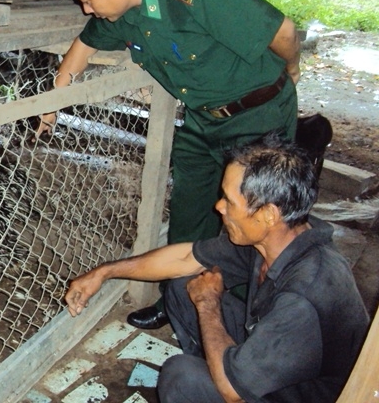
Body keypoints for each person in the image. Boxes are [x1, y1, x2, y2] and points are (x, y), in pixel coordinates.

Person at [38, 0, 302, 329]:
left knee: (253, 220)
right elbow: (84, 45)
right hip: (201, 119)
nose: (87, 10)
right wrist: (54, 103)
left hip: (258, 115)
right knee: (189, 214)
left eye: (87, 0)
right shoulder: (122, 11)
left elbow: (282, 32)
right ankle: (178, 300)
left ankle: (255, 313)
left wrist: (294, 68)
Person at [65, 134, 369, 402]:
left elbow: (231, 391)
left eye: (229, 201)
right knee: (184, 286)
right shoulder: (281, 236)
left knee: (181, 377)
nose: (219, 207)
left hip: (296, 395)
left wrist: (208, 303)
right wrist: (103, 272)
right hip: (274, 353)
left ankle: (215, 376)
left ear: (267, 215)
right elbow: (184, 259)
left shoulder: (304, 295)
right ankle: (218, 365)